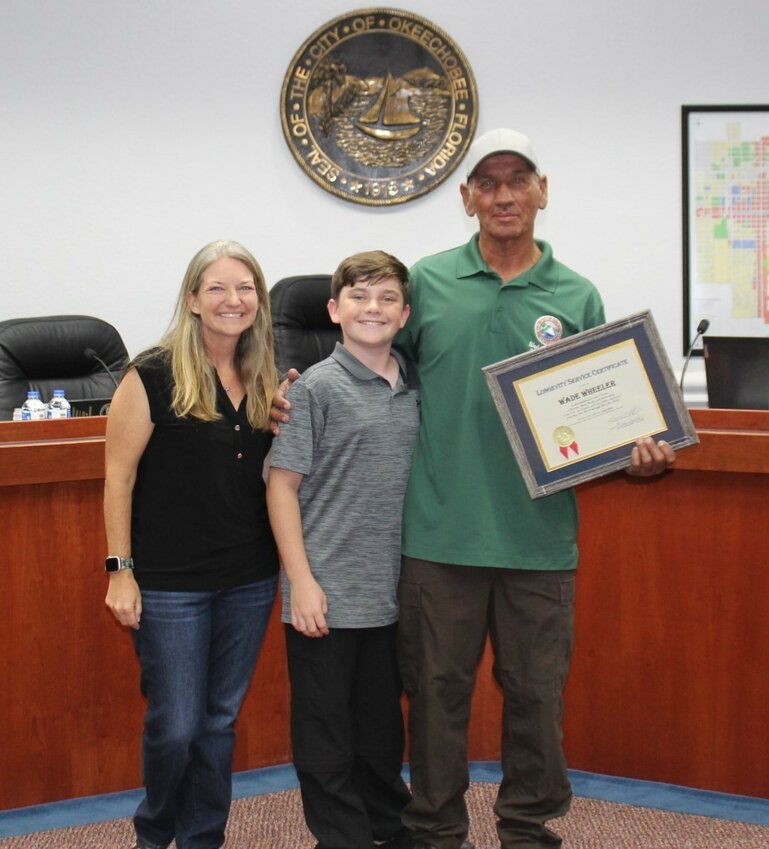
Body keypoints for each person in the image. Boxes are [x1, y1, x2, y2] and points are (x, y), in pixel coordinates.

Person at [272, 129, 675, 849]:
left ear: (540, 191)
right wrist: (292, 387)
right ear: (466, 198)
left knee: (535, 698)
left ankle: (526, 828)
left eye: (516, 180)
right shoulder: (425, 281)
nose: (502, 195)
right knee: (433, 699)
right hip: (436, 538)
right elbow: (370, 360)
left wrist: (637, 451)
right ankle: (432, 830)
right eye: (486, 183)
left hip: (538, 539)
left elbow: (601, 409)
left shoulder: (575, 293)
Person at [104, 240, 280, 849]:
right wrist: (119, 571)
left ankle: (204, 837)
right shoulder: (150, 374)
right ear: (193, 300)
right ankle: (155, 833)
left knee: (219, 722)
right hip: (170, 583)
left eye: (246, 288)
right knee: (176, 725)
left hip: (251, 578)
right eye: (218, 289)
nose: (234, 300)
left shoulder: (264, 377)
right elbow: (118, 478)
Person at [267, 251, 420, 849]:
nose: (372, 308)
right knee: (325, 731)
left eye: (386, 299)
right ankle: (342, 837)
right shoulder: (314, 388)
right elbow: (281, 488)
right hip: (323, 591)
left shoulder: (413, 383)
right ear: (334, 310)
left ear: (404, 314)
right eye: (359, 296)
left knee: (382, 728)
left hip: (391, 592)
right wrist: (300, 581)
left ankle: (390, 825)